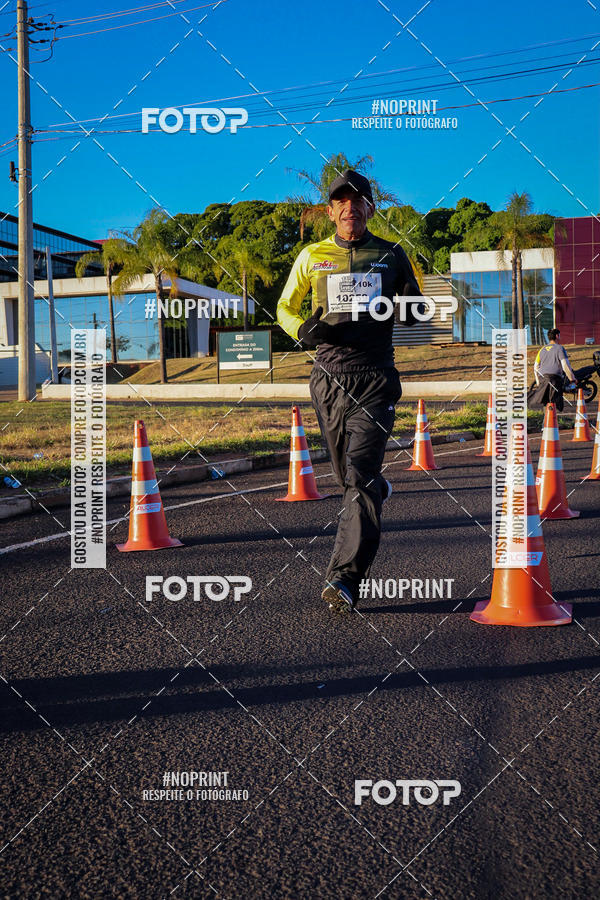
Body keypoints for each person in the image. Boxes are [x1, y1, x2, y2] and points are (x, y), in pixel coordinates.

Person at [277, 169, 422, 613]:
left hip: (375, 376)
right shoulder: (312, 255)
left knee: (357, 479)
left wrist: (413, 306)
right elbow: (284, 306)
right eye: (341, 201)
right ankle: (375, 488)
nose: (349, 207)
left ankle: (344, 578)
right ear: (330, 211)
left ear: (369, 208)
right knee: (348, 479)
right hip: (328, 379)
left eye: (358, 200)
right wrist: (301, 327)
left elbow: (416, 308)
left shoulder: (392, 253)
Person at [530, 328, 576, 411]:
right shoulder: (560, 348)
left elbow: (536, 366)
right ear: (557, 336)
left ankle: (546, 422)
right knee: (556, 404)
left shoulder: (542, 349)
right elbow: (565, 365)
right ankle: (555, 422)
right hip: (554, 379)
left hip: (543, 379)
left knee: (546, 404)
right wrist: (572, 379)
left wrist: (538, 382)